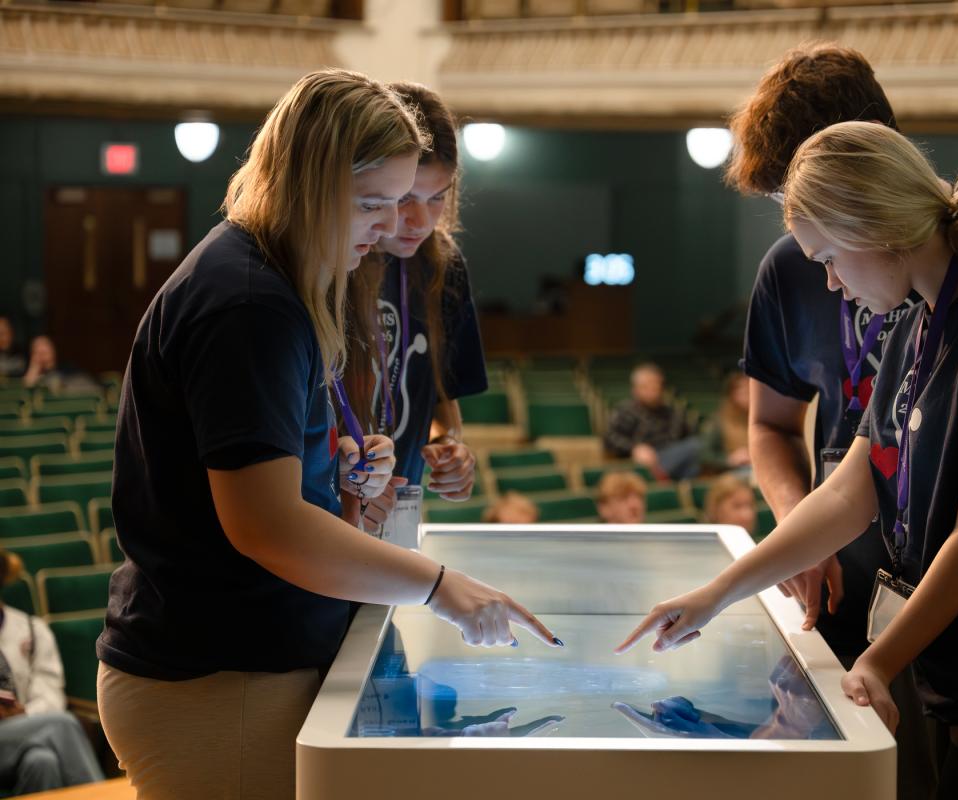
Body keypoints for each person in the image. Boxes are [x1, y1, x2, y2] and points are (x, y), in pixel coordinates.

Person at [619, 121, 958, 800]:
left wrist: (878, 660)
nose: (831, 283)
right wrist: (719, 593)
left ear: (875, 229)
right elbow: (848, 493)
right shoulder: (913, 322)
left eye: (829, 257)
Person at [97, 69, 561, 800]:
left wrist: (342, 484)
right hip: (219, 675)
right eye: (373, 204)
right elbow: (268, 529)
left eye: (411, 201)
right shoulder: (248, 304)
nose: (389, 228)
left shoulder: (280, 280)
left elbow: (270, 490)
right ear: (309, 185)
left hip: (255, 656)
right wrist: (441, 589)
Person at [343, 83, 484, 540]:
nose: (421, 223)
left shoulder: (444, 263)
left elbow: (438, 391)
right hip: (331, 509)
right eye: (404, 199)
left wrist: (448, 444)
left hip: (399, 507)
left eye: (437, 197)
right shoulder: (333, 261)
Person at [0, 551, 104, 794]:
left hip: (20, 730)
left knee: (41, 761)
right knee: (62, 725)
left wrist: (23, 713)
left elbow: (50, 694)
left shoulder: (31, 628)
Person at [603, 363, 700, 480]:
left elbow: (686, 437)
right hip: (640, 463)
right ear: (635, 389)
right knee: (695, 446)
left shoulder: (672, 413)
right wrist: (634, 448)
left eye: (656, 384)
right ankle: (664, 481)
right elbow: (610, 438)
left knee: (696, 451)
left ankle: (681, 491)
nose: (653, 389)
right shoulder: (625, 411)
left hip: (670, 457)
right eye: (647, 385)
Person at [698, 372, 751, 474]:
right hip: (731, 473)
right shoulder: (719, 420)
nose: (747, 394)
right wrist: (729, 460)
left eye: (749, 390)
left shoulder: (763, 417)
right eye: (743, 391)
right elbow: (705, 455)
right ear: (732, 394)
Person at [21, 335, 99, 394]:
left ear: (53, 351)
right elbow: (25, 392)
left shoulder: (68, 369)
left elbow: (91, 388)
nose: (42, 357)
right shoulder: (29, 373)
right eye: (38, 353)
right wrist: (34, 368)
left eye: (44, 352)